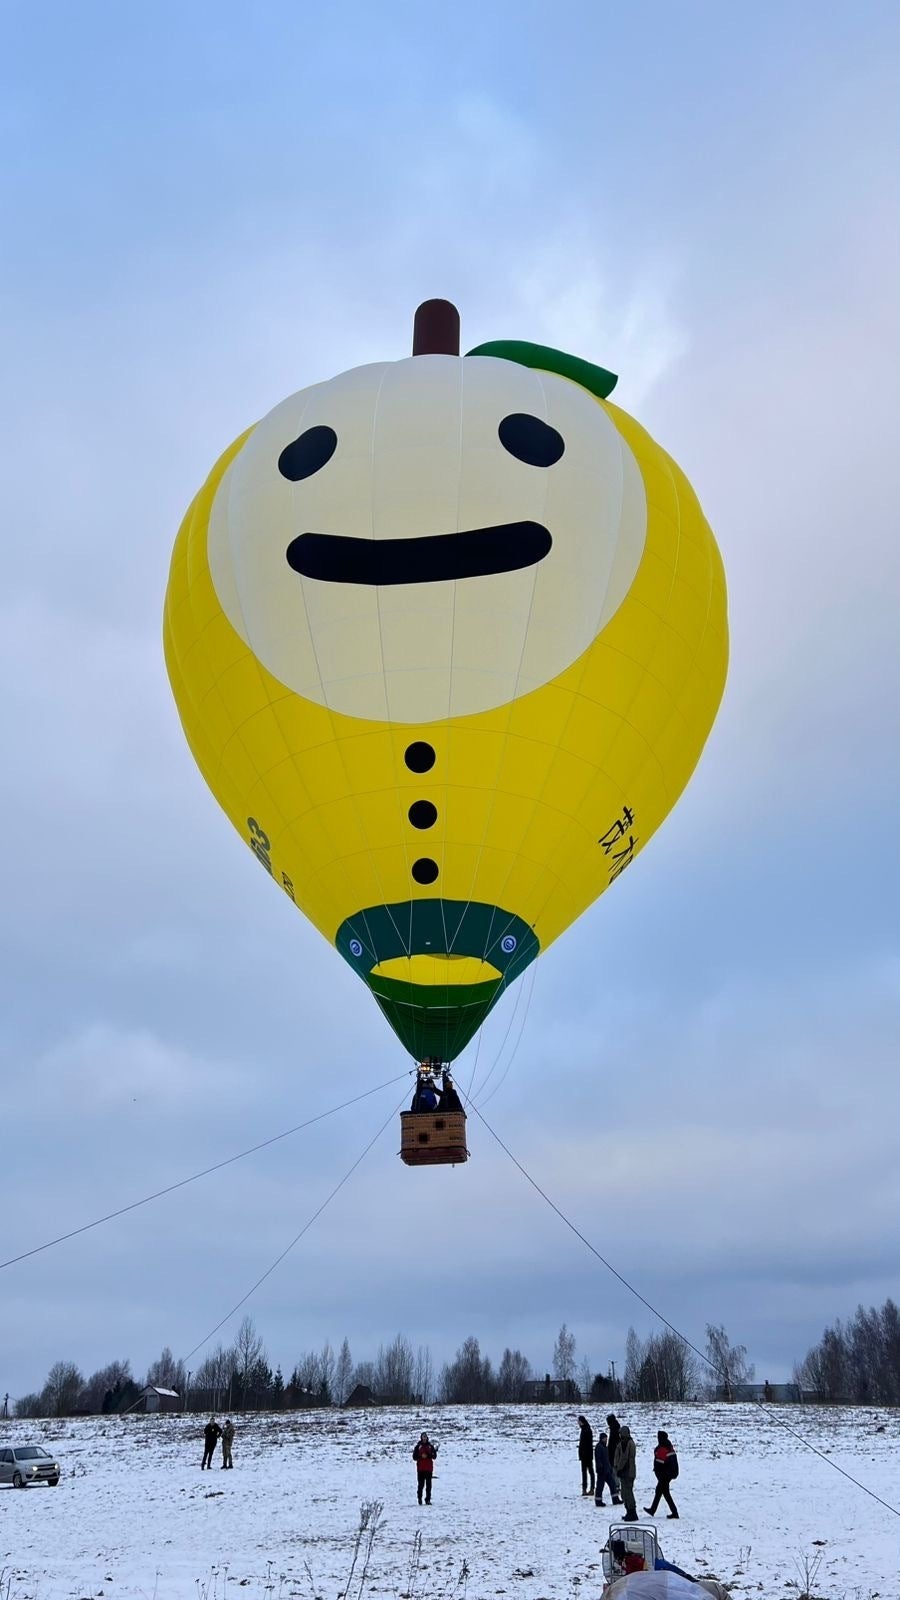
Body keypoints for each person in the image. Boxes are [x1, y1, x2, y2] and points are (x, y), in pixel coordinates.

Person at [644, 1429, 679, 1519]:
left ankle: (674, 1512)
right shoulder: (669, 1446)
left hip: (665, 1474)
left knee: (665, 1492)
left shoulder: (662, 1448)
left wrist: (657, 1472)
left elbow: (659, 1464)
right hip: (669, 1473)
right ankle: (653, 1509)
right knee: (659, 1491)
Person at [613, 1424, 638, 1520]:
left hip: (626, 1472)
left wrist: (619, 1469)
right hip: (628, 1471)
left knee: (627, 1493)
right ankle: (629, 1512)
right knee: (625, 1492)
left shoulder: (626, 1443)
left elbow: (624, 1458)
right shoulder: (627, 1442)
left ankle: (632, 1512)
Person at [594, 1430, 621, 1506]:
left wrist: (610, 1468)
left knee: (612, 1485)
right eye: (605, 1439)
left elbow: (607, 1459)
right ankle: (598, 1501)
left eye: (606, 1438)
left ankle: (615, 1499)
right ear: (601, 1439)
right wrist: (600, 1468)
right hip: (602, 1471)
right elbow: (598, 1459)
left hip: (607, 1470)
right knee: (600, 1487)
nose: (606, 1440)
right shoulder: (599, 1447)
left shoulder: (605, 1447)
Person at [412, 1431, 438, 1504]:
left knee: (429, 1485)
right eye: (423, 1437)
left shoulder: (430, 1446)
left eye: (425, 1437)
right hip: (420, 1469)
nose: (424, 1438)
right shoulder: (418, 1446)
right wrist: (421, 1456)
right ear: (421, 1438)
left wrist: (428, 1455)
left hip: (429, 1468)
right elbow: (414, 1457)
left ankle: (428, 1499)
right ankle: (419, 1498)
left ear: (427, 1438)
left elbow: (434, 1456)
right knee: (421, 1485)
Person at [577, 1414, 595, 1496]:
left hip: (586, 1455)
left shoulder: (586, 1430)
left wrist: (583, 1453)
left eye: (578, 1421)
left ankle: (590, 1489)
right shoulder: (585, 1429)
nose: (578, 1423)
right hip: (585, 1455)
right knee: (586, 1472)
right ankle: (586, 1489)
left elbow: (586, 1444)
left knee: (589, 1472)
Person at [606, 1412, 622, 1500]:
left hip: (613, 1453)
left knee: (614, 1470)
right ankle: (617, 1485)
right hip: (615, 1453)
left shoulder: (613, 1430)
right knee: (615, 1470)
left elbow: (613, 1443)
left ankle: (617, 1486)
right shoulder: (616, 1428)